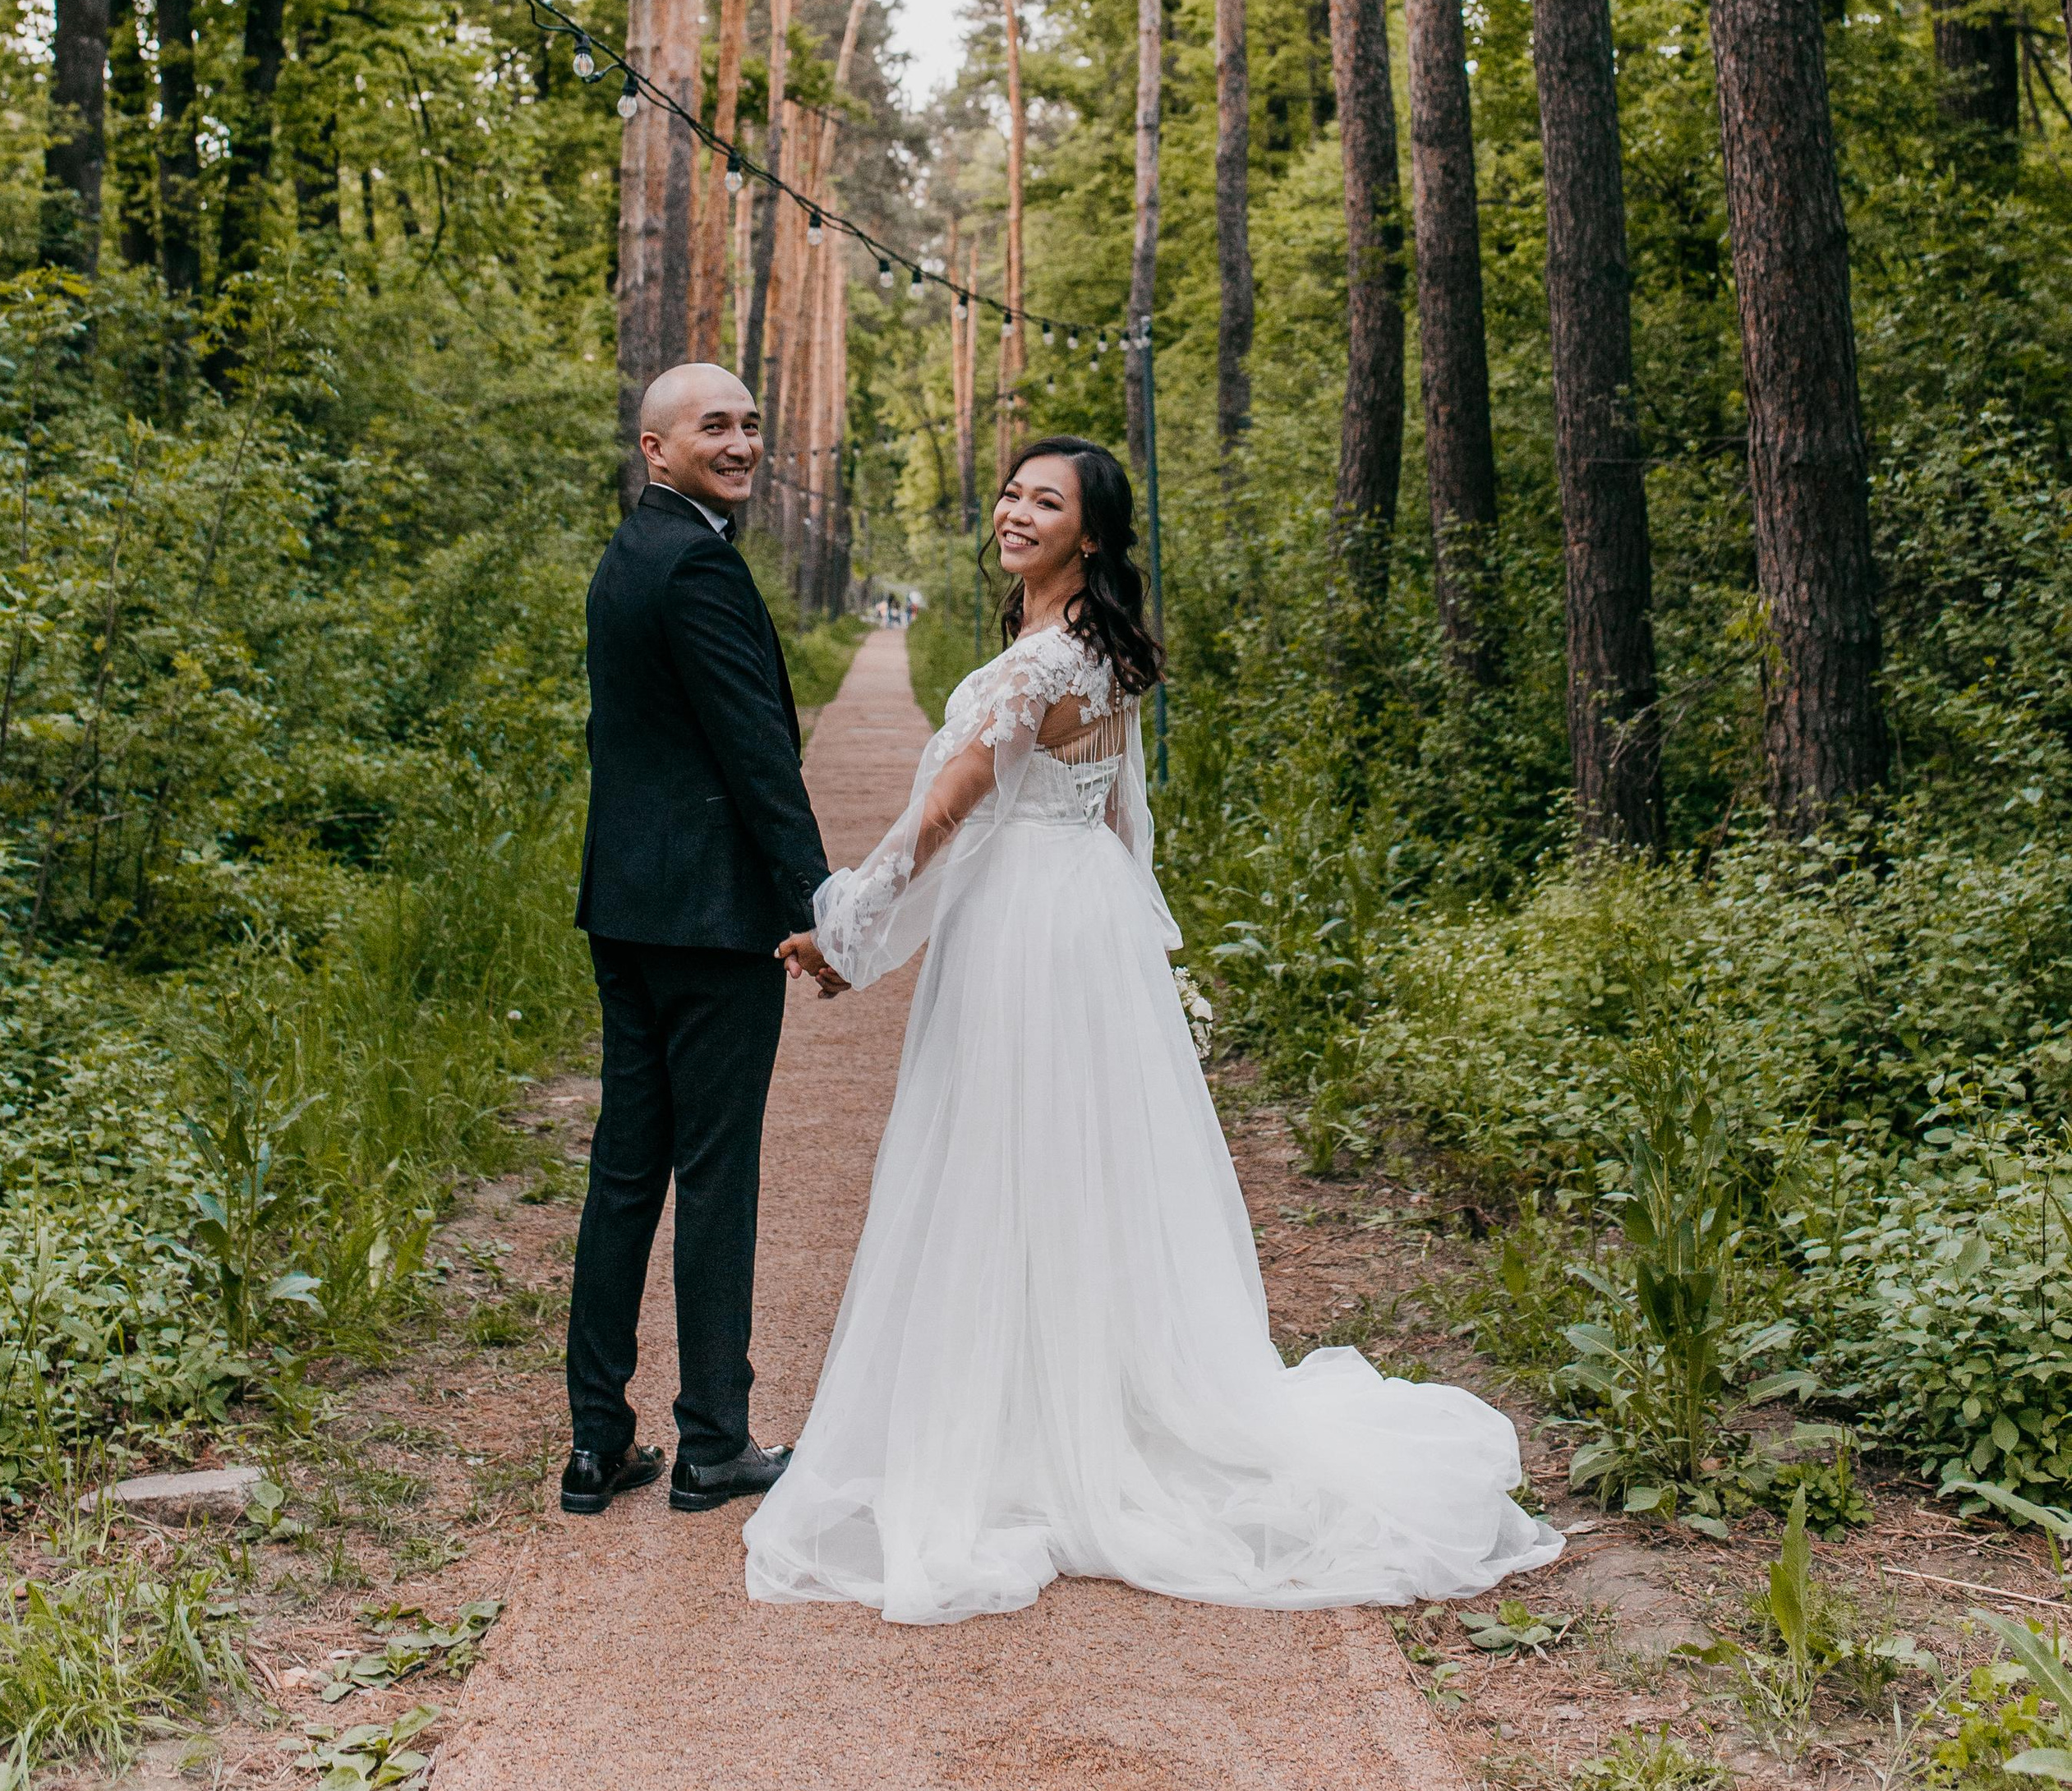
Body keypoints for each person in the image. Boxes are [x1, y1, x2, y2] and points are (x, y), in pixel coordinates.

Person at [747, 435, 1561, 1626]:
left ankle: (1030, 1430)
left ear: (1091, 533)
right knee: (1076, 1163)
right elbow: (1125, 811)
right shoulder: (1096, 653)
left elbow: (952, 806)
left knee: (1000, 1154)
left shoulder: (1042, 663)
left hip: (1027, 920)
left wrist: (853, 931)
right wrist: (1141, 941)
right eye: (1015, 493)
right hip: (1083, 921)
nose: (1019, 513)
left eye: (1048, 502)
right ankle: (1071, 1403)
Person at [561, 363, 846, 1521]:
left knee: (626, 1171)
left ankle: (595, 1444)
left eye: (749, 423)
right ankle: (715, 1444)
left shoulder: (628, 555)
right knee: (714, 1175)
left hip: (626, 906)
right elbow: (755, 755)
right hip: (711, 917)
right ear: (655, 447)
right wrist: (815, 902)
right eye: (713, 426)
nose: (740, 442)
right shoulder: (699, 566)